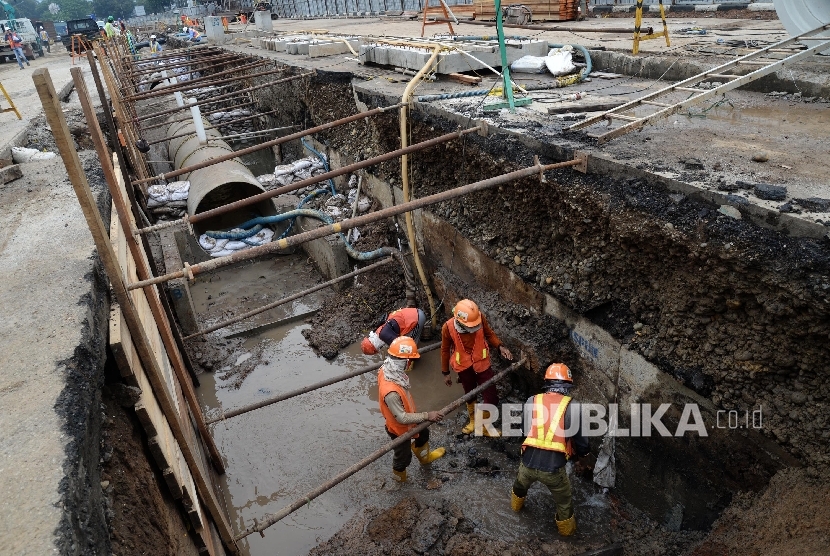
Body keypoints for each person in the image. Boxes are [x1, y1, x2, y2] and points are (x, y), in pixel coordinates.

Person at [510, 363, 591, 537]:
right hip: (554, 470)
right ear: (568, 386)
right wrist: (582, 457)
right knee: (564, 502)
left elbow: (524, 431)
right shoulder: (573, 406)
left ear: (547, 383)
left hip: (528, 464)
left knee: (519, 487)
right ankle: (567, 537)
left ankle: (515, 510)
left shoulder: (532, 400)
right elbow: (581, 442)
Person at [378, 337, 446, 482]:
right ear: (403, 361)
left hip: (411, 418)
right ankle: (399, 480)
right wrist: (428, 415)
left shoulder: (387, 370)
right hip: (399, 428)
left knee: (423, 434)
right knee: (403, 457)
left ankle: (425, 458)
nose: (410, 363)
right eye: (409, 360)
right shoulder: (391, 392)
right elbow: (402, 418)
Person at [440, 299, 512, 436]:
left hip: (482, 363)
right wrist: (445, 372)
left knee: (491, 397)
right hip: (464, 366)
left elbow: (489, 333)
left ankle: (484, 426)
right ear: (460, 321)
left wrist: (500, 346)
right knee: (470, 393)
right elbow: (444, 349)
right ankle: (473, 420)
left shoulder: (479, 318)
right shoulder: (448, 327)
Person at [361, 307, 426, 356]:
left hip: (417, 318)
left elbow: (403, 348)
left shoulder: (385, 336)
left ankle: (413, 360)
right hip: (412, 312)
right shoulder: (378, 332)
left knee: (410, 348)